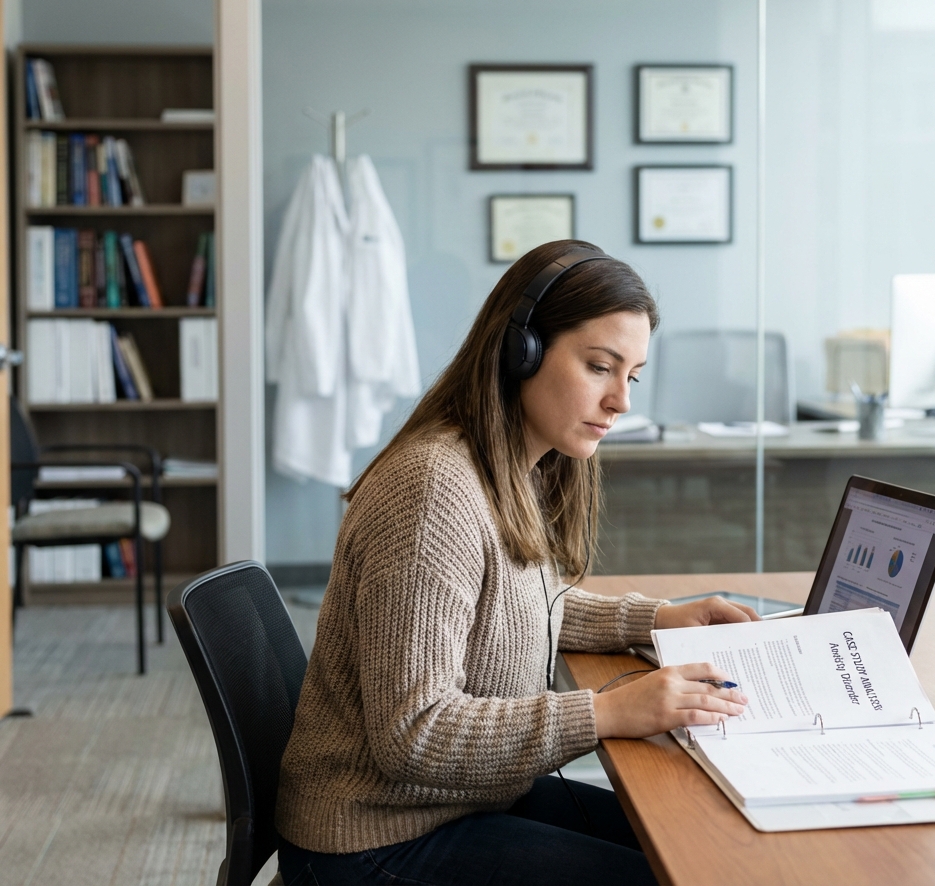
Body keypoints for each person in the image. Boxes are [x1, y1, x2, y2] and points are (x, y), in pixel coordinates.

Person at [275, 240, 756, 886]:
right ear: (520, 352)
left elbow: (516, 605)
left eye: (632, 376)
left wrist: (657, 619)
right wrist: (609, 711)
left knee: (693, 843)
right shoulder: (434, 490)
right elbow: (414, 731)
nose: (621, 401)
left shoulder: (505, 468)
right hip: (373, 838)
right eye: (599, 367)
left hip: (458, 802)